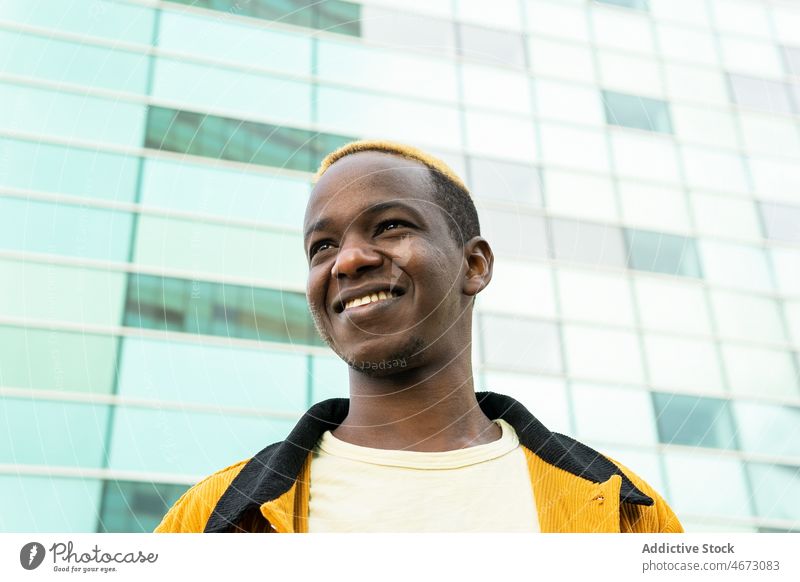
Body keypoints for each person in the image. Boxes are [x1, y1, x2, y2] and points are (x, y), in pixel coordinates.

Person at [155, 140, 683, 533]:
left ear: (473, 265)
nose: (349, 259)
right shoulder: (207, 521)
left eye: (389, 226)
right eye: (322, 246)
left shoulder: (629, 516)